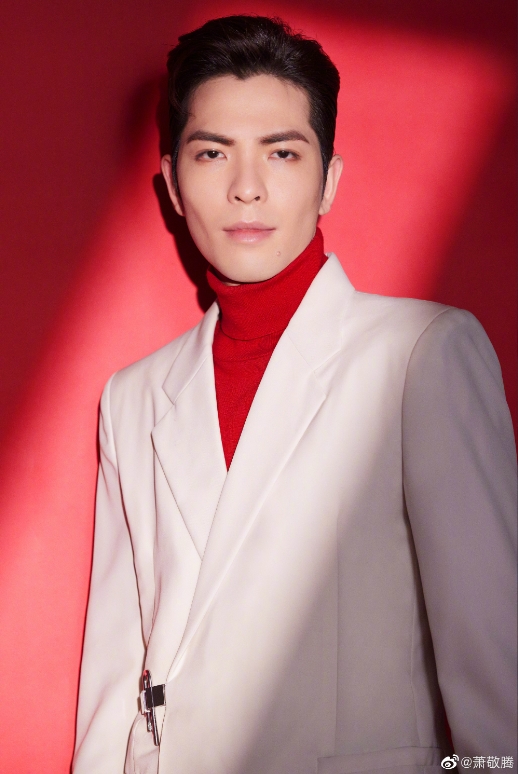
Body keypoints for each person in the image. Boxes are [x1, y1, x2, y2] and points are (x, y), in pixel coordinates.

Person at [73, 15, 517, 774]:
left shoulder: (422, 354)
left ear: (329, 180)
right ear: (173, 184)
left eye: (282, 152)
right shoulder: (133, 396)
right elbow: (113, 679)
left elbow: (497, 670)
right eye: (213, 153)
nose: (246, 187)